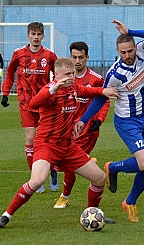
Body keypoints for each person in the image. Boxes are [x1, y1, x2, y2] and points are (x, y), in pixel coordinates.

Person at [0, 57, 120, 228]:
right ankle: (6, 215)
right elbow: (34, 102)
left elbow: (85, 91)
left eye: (73, 73)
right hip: (47, 145)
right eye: (67, 74)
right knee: (37, 180)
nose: (72, 77)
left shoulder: (73, 87)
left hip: (68, 146)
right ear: (57, 74)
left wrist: (103, 91)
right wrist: (54, 88)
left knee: (99, 178)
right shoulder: (50, 90)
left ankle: (92, 214)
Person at [75, 19, 144, 223]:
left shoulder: (142, 51)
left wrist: (130, 30)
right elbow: (101, 97)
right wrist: (84, 119)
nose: (128, 55)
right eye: (123, 52)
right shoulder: (114, 74)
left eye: (130, 51)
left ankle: (128, 201)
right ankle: (113, 168)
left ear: (134, 47)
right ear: (117, 51)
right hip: (127, 121)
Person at [1, 22, 58, 193]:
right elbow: (10, 73)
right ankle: (36, 178)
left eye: (39, 34)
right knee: (30, 137)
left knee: (47, 139)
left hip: (44, 103)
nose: (36, 37)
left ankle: (53, 171)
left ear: (43, 36)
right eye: (33, 34)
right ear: (28, 35)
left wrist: (55, 92)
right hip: (25, 103)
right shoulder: (18, 54)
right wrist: (5, 93)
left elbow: (58, 74)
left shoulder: (49, 55)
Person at [53, 42, 110, 209]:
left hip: (87, 130)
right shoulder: (64, 78)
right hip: (66, 129)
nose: (77, 61)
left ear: (87, 58)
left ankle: (65, 197)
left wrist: (99, 120)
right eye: (74, 57)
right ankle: (89, 163)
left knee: (71, 165)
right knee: (67, 163)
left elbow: (103, 100)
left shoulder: (96, 79)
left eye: (81, 57)